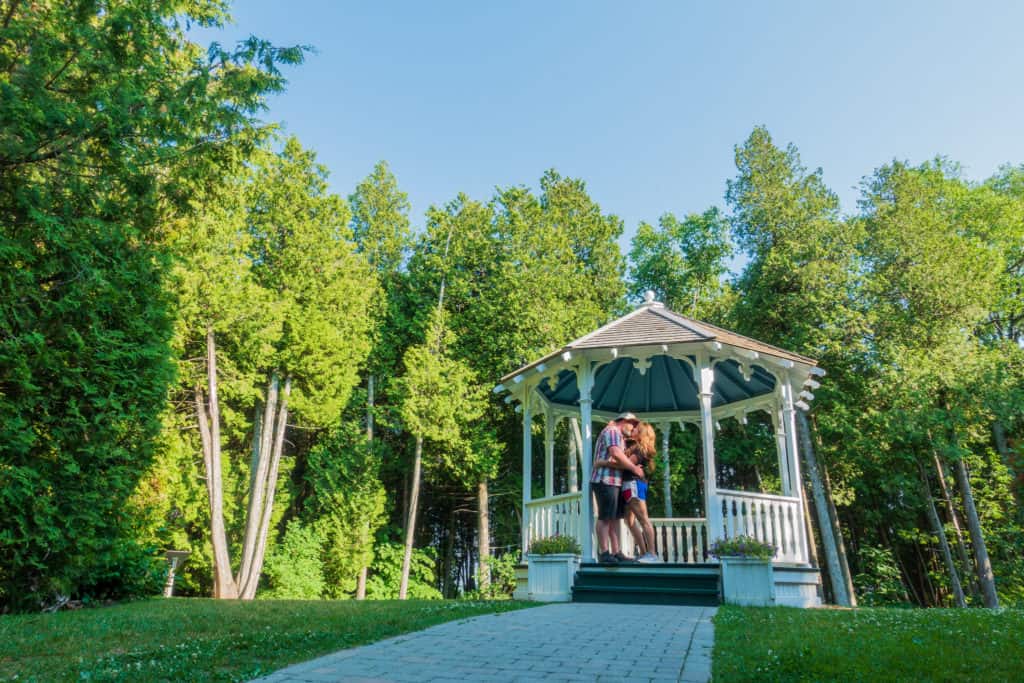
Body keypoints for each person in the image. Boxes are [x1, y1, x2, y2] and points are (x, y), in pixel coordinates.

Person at [590, 412, 644, 564]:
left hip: (613, 481)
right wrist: (634, 469)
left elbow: (615, 459)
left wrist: (603, 462)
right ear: (624, 421)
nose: (633, 428)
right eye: (632, 424)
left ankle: (616, 552)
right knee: (605, 517)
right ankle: (604, 553)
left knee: (613, 519)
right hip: (605, 480)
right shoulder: (613, 431)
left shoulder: (618, 435)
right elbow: (616, 454)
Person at [621, 422, 660, 563]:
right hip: (628, 485)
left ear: (642, 433)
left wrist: (605, 461)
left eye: (636, 429)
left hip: (634, 484)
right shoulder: (635, 447)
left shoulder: (640, 450)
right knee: (629, 520)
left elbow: (623, 462)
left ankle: (652, 553)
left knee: (643, 520)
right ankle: (644, 553)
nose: (633, 429)